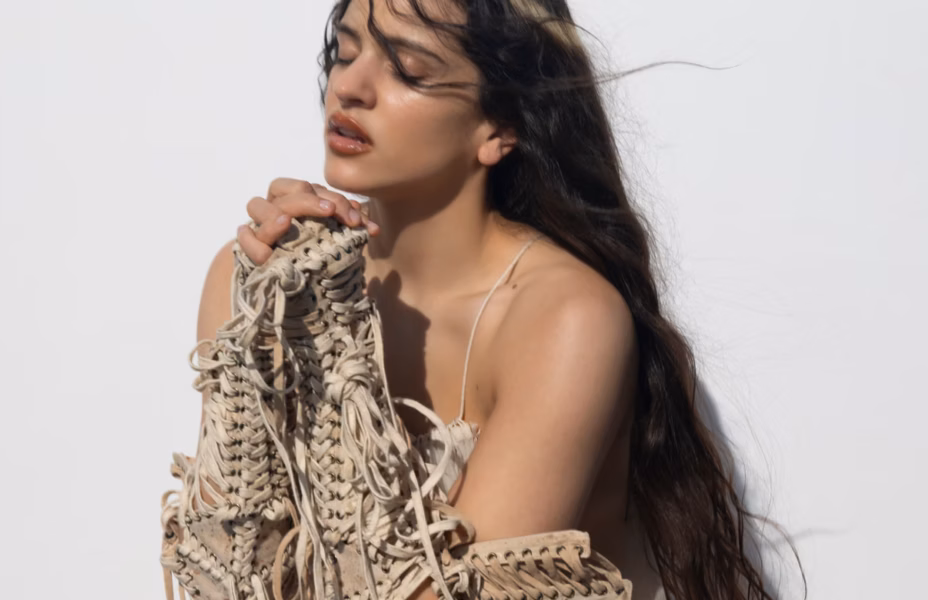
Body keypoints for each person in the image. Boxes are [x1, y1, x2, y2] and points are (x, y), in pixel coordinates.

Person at [198, 1, 803, 598]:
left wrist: (331, 349)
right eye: (346, 52)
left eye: (408, 70)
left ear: (499, 128)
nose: (349, 88)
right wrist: (277, 325)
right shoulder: (259, 278)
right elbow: (218, 568)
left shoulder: (564, 320)